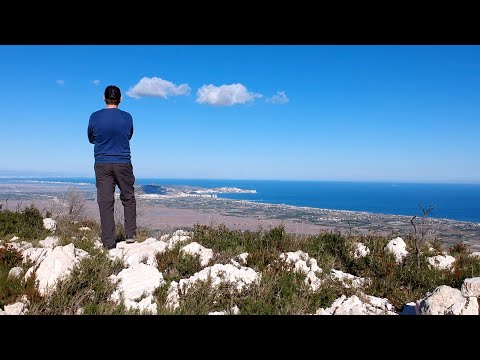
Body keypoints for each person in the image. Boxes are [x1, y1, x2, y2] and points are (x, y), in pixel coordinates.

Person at [88, 85, 136, 249]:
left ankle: (109, 242)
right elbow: (129, 135)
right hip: (123, 162)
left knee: (105, 201)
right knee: (128, 197)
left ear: (104, 98)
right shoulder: (127, 117)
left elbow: (91, 138)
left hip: (102, 163)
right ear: (120, 99)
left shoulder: (95, 117)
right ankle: (130, 234)